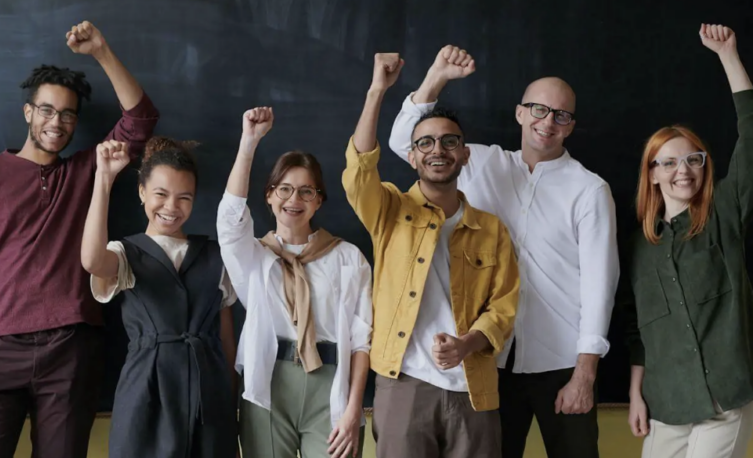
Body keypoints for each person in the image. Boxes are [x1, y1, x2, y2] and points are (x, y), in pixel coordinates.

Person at [0, 21, 160, 458]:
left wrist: (101, 51)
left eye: (68, 114)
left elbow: (141, 119)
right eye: (47, 110)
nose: (57, 122)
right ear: (28, 112)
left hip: (68, 348)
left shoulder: (86, 170)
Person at [386, 46, 619, 458]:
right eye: (538, 109)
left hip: (562, 362)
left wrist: (585, 373)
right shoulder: (481, 162)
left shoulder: (590, 189)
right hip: (490, 362)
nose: (547, 122)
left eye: (560, 115)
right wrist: (436, 78)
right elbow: (406, 142)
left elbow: (601, 285)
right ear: (519, 113)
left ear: (570, 126)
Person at [345, 53, 520, 458]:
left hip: (473, 387)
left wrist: (467, 343)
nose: (437, 149)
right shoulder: (388, 210)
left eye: (449, 141)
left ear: (464, 154)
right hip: (403, 382)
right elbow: (358, 171)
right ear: (412, 156)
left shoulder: (491, 228)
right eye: (424, 142)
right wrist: (377, 91)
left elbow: (504, 306)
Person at [623, 24, 753, 458]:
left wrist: (728, 55)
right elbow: (640, 332)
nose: (684, 169)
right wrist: (636, 394)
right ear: (653, 173)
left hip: (725, 397)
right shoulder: (642, 246)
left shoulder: (725, 216)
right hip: (667, 404)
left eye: (693, 159)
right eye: (670, 161)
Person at [217, 106, 372, 458]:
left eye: (306, 191)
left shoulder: (348, 257)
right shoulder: (254, 257)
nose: (294, 200)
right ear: (269, 196)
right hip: (270, 384)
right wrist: (249, 142)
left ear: (318, 200)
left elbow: (363, 342)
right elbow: (229, 219)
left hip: (331, 386)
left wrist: (354, 409)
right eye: (284, 189)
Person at [81, 136, 238, 457]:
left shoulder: (214, 256)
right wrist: (104, 179)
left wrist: (230, 395)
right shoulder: (125, 253)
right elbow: (92, 261)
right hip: (146, 391)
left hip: (208, 394)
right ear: (141, 192)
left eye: (184, 198)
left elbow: (225, 337)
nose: (171, 207)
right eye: (160, 194)